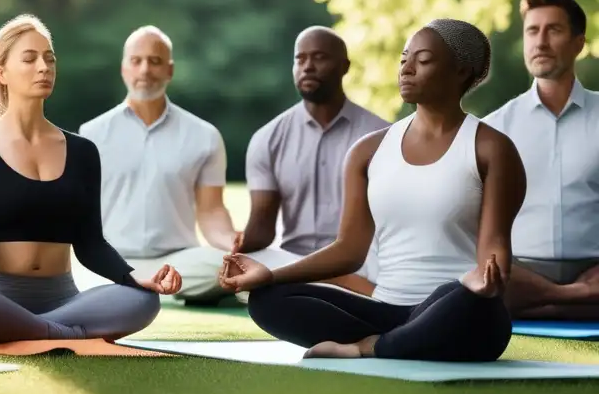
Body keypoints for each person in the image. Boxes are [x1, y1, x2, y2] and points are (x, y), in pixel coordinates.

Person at [221, 19, 526, 362]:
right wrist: (271, 274)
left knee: (465, 299)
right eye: (403, 59)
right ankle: (401, 341)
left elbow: (495, 243)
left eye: (422, 61)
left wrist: (488, 277)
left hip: (458, 308)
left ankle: (369, 347)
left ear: (460, 71)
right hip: (385, 309)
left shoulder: (491, 148)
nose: (407, 70)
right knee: (267, 299)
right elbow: (349, 250)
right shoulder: (368, 151)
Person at [0, 14, 182, 349]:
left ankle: (29, 331)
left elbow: (91, 244)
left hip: (63, 300)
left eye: (49, 58)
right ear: (1, 73)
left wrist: (133, 279)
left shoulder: (83, 152)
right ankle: (67, 335)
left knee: (143, 300)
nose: (44, 67)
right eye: (30, 58)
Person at [77, 26, 237, 305]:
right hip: (114, 260)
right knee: (85, 276)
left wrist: (231, 242)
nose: (145, 70)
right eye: (136, 61)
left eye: (155, 61)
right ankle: (155, 289)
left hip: (179, 260)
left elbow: (212, 210)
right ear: (124, 68)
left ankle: (150, 289)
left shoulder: (204, 135)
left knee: (223, 267)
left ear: (169, 70)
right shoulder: (92, 134)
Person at [241, 26, 389, 295]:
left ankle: (325, 283)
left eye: (319, 57)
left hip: (359, 262)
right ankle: (324, 283)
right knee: (241, 266)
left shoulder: (382, 137)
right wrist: (234, 248)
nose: (307, 66)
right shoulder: (268, 138)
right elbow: (262, 229)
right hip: (290, 260)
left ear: (344, 66)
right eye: (300, 59)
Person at [482, 0, 599, 320]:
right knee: (483, 273)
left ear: (579, 43)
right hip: (519, 275)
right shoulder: (495, 128)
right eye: (533, 30)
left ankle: (552, 303)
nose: (541, 41)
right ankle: (573, 300)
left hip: (595, 270)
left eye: (554, 30)